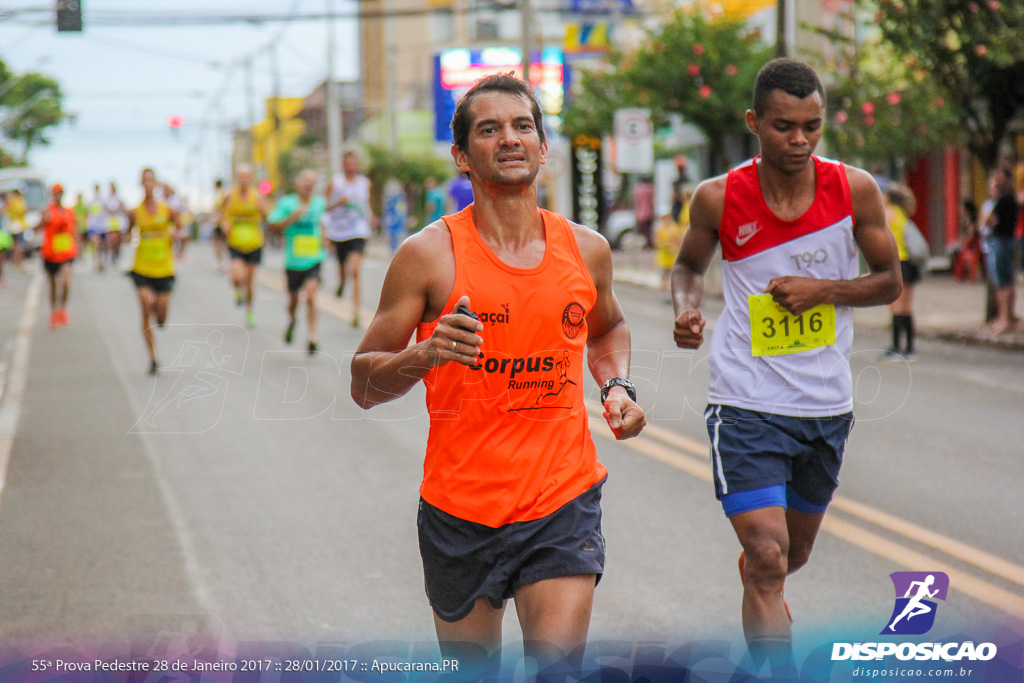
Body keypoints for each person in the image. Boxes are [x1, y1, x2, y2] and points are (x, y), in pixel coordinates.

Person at [350, 73, 646, 677]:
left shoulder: (586, 250)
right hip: (461, 509)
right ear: (462, 155)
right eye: (489, 129)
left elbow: (608, 327)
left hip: (560, 500)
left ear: (542, 147)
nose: (510, 139)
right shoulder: (428, 256)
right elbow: (363, 383)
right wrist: (425, 355)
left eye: (523, 126)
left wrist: (616, 386)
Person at [670, 58, 901, 673]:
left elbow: (889, 283)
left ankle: (760, 617)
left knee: (787, 558)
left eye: (811, 126)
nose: (798, 140)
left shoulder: (854, 191)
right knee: (767, 556)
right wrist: (687, 310)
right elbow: (689, 266)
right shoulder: (719, 197)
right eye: (783, 127)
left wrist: (824, 290)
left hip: (825, 406)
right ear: (754, 123)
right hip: (744, 401)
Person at [128, 168, 183, 375]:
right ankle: (153, 357)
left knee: (160, 315)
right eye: (145, 181)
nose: (148, 184)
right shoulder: (134, 212)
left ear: (156, 184)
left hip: (164, 267)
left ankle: (159, 316)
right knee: (145, 306)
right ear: (141, 184)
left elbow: (180, 229)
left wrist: (177, 235)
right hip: (142, 267)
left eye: (152, 180)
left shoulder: (167, 210)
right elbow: (128, 233)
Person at [267, 169, 326, 355]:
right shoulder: (287, 203)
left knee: (310, 297)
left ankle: (312, 336)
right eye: (304, 181)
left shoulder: (319, 203)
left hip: (314, 259)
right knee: (293, 301)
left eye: (312, 182)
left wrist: (326, 238)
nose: (308, 185)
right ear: (297, 184)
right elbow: (272, 226)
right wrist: (292, 218)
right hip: (293, 261)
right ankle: (292, 320)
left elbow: (323, 223)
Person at [324, 150, 373, 327]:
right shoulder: (335, 183)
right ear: (343, 164)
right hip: (338, 232)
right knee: (344, 271)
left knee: (355, 270)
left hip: (358, 231)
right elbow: (323, 207)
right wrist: (338, 203)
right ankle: (341, 283)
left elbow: (366, 205)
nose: (351, 166)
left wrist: (371, 217)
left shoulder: (364, 183)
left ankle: (356, 312)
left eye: (354, 162)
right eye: (348, 163)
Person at [221, 165, 268, 327]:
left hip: (254, 243)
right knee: (236, 276)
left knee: (249, 280)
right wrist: (224, 225)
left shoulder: (257, 197)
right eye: (240, 176)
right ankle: (238, 291)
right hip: (236, 243)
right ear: (236, 178)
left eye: (246, 176)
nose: (243, 179)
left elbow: (267, 217)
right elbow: (222, 214)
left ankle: (249, 311)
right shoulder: (229, 196)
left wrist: (263, 210)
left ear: (251, 178)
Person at [882, 183, 921, 361]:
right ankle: (910, 348)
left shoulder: (887, 214)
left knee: (896, 308)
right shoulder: (902, 214)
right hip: (910, 263)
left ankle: (896, 348)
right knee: (907, 307)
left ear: (888, 198)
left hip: (897, 262)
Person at [982, 166, 1019, 334]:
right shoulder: (1011, 198)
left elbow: (989, 220)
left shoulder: (1004, 199)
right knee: (1007, 280)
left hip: (1000, 241)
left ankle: (1004, 318)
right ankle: (1008, 317)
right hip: (1007, 240)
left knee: (1002, 282)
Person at [38, 184, 79, 329]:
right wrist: (44, 220)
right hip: (50, 253)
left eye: (60, 193)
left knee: (66, 282)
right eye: (56, 193)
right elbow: (38, 227)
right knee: (53, 285)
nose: (58, 195)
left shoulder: (69, 212)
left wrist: (78, 246)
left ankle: (62, 309)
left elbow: (75, 229)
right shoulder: (47, 210)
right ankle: (53, 311)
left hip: (67, 252)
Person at [656, 184, 692, 301]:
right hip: (664, 255)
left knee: (674, 274)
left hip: (674, 252)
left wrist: (677, 244)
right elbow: (657, 242)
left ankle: (679, 294)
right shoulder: (660, 229)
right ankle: (666, 294)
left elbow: (681, 233)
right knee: (665, 275)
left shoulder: (687, 208)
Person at [86, 183, 109, 272]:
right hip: (94, 227)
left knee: (103, 246)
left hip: (102, 227)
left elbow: (108, 212)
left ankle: (102, 262)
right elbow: (88, 214)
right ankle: (96, 263)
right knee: (96, 245)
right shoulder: (91, 201)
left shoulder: (103, 201)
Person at [4, 188, 28, 273]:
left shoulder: (14, 200)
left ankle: (17, 263)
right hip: (16, 227)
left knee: (17, 247)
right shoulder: (17, 201)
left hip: (16, 226)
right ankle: (17, 263)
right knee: (18, 247)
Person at [105, 181, 128, 267]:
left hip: (118, 223)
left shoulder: (119, 199)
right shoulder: (107, 199)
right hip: (110, 223)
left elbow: (124, 210)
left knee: (118, 241)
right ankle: (111, 257)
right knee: (111, 241)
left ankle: (117, 256)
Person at [210, 178, 228, 273]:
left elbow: (219, 209)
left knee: (218, 244)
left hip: (220, 223)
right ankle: (224, 263)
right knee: (223, 244)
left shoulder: (220, 194)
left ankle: (222, 263)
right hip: (221, 222)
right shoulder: (224, 193)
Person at [633, 175, 655, 249]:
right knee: (648, 230)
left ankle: (648, 244)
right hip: (649, 213)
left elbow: (637, 202)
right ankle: (650, 244)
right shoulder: (650, 189)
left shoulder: (639, 189)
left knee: (644, 230)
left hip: (641, 214)